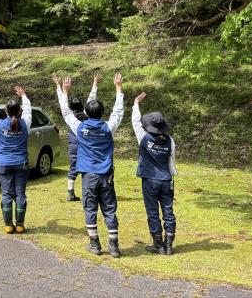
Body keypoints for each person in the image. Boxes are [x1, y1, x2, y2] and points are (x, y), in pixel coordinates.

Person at [59, 73, 124, 258]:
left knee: (90, 208)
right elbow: (118, 112)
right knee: (109, 209)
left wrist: (65, 92)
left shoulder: (79, 127)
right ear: (102, 113)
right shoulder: (108, 127)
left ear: (87, 113)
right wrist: (118, 89)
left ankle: (94, 244)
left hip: (88, 176)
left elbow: (65, 112)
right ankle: (114, 247)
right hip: (106, 176)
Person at [132, 92, 177, 255]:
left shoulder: (144, 137)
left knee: (152, 211)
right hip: (166, 179)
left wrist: (136, 104)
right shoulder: (170, 140)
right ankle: (169, 244)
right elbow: (172, 160)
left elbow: (135, 122)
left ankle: (158, 244)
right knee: (168, 211)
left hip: (150, 180)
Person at [0, 86, 32, 234]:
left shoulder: (0, 125)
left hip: (4, 164)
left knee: (6, 194)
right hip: (21, 164)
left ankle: (8, 226)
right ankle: (19, 225)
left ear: (6, 111)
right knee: (20, 194)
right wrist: (24, 96)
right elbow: (28, 110)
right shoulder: (25, 123)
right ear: (19, 111)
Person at [52, 72, 102, 202]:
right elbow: (91, 99)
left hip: (73, 146)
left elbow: (62, 104)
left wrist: (60, 87)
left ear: (71, 107)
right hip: (87, 146)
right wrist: (95, 83)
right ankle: (92, 192)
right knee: (89, 167)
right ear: (83, 107)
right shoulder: (87, 115)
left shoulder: (70, 118)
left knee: (73, 168)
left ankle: (70, 193)